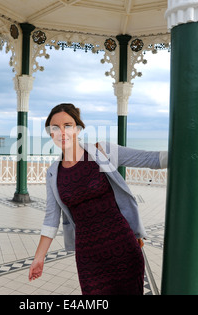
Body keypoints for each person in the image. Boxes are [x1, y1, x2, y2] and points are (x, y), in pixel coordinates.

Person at [28, 103, 168, 295]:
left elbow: (149, 159)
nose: (62, 132)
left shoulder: (102, 152)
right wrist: (38, 258)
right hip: (88, 256)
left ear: (78, 128)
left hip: (123, 246)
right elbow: (51, 218)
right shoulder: (53, 173)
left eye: (67, 125)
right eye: (55, 128)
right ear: (50, 133)